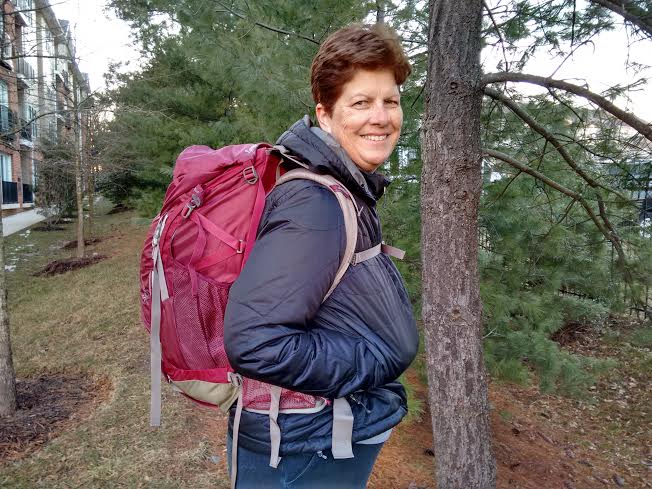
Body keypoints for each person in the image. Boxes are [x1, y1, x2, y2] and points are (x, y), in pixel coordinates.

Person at [223, 23, 418, 489]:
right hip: (301, 451)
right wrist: (374, 357)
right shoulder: (315, 204)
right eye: (361, 103)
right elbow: (254, 341)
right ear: (325, 115)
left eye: (390, 101)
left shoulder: (346, 187)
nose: (381, 117)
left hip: (319, 439)